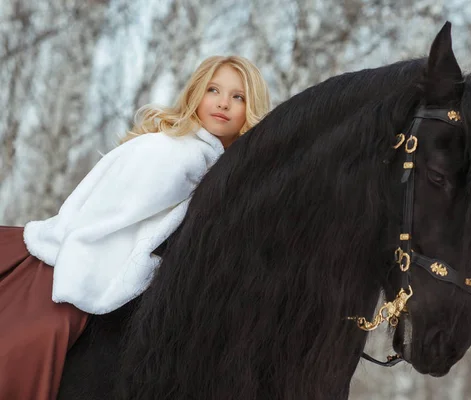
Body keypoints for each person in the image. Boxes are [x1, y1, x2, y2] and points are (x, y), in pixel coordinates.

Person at [0, 55, 271, 400]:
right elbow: (107, 219)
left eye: (238, 96)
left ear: (251, 108)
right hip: (79, 260)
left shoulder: (212, 164)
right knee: (32, 340)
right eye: (213, 90)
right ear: (196, 95)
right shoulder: (175, 153)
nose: (222, 103)